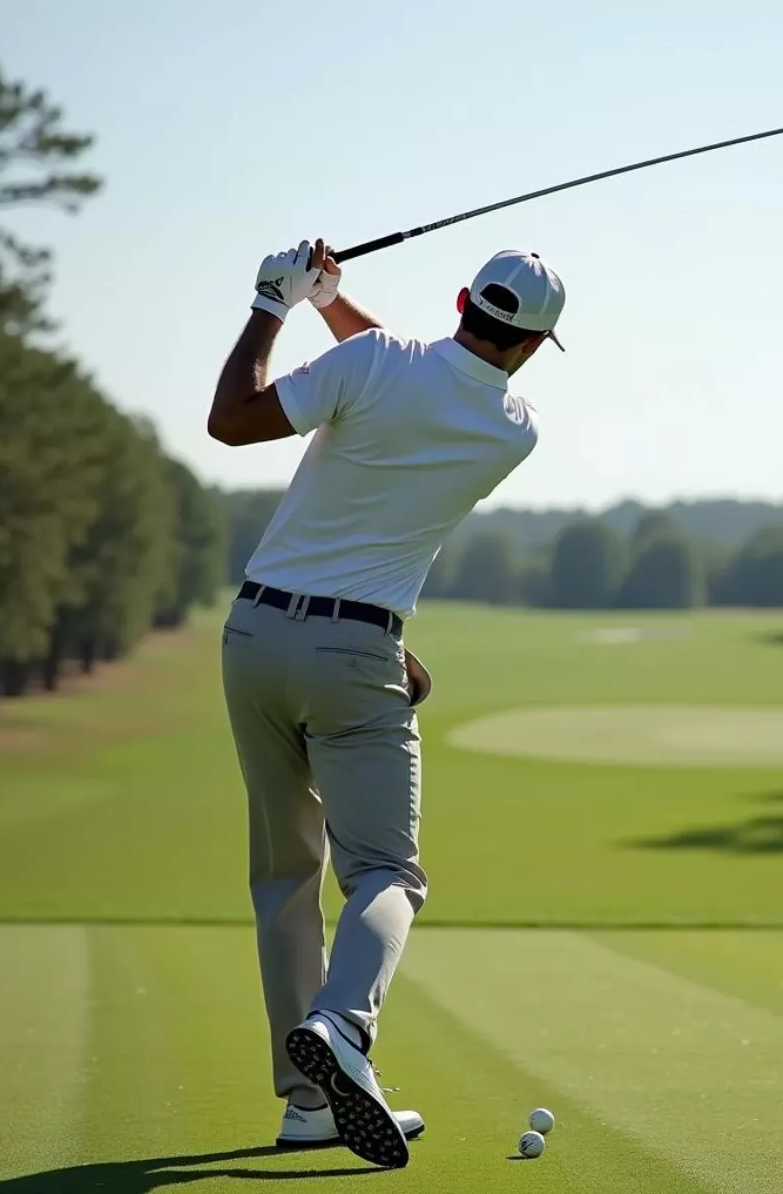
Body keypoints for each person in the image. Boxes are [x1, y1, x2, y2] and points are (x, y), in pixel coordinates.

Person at [208, 237, 565, 1168]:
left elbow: (232, 420)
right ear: (531, 347)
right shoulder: (514, 428)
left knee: (286, 874)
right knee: (386, 876)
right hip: (358, 650)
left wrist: (276, 300)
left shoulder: (368, 363)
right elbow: (423, 384)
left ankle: (309, 1107)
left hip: (251, 638)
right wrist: (331, 302)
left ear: (459, 301)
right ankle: (340, 1028)